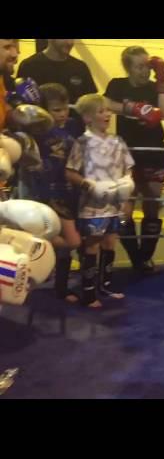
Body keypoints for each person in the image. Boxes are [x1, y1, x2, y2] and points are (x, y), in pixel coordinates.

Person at [104, 46, 164, 273]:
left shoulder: (154, 87)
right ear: (128, 68)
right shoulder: (117, 85)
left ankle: (146, 257)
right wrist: (132, 108)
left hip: (154, 151)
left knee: (152, 205)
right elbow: (105, 103)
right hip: (127, 153)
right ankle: (135, 258)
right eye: (140, 66)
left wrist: (163, 82)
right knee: (125, 209)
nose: (145, 71)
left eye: (148, 66)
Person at [65, 94, 135, 308]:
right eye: (101, 111)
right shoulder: (82, 143)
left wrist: (127, 184)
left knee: (110, 241)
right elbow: (70, 172)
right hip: (92, 205)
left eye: (108, 110)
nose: (107, 115)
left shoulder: (118, 141)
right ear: (87, 117)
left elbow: (128, 167)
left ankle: (105, 285)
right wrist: (90, 186)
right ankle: (88, 291)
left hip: (114, 202)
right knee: (92, 244)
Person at [27, 83, 82, 302]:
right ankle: (35, 244)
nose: (62, 113)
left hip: (70, 188)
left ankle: (61, 287)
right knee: (72, 241)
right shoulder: (37, 131)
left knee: (68, 246)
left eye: (65, 108)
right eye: (56, 109)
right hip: (48, 190)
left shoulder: (73, 126)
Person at [17, 39, 98, 137]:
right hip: (40, 136)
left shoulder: (80, 67)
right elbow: (21, 108)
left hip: (75, 135)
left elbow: (91, 104)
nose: (69, 43)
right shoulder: (30, 66)